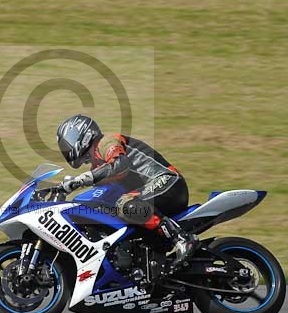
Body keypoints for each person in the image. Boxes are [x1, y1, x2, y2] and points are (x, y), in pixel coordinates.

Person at [55, 114, 196, 268]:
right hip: (149, 196)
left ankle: (182, 238)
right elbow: (99, 192)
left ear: (82, 133)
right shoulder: (97, 165)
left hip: (167, 181)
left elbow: (120, 164)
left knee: (126, 204)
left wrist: (81, 179)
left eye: (67, 143)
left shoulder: (106, 142)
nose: (67, 149)